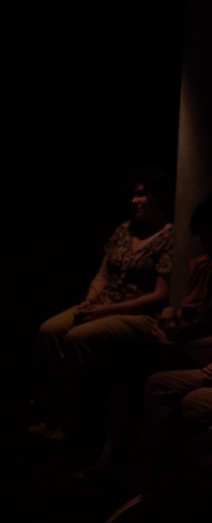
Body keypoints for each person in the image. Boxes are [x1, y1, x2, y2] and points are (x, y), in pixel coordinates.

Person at [28, 165, 173, 477]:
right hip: (104, 303)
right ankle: (55, 411)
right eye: (133, 194)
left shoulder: (169, 236)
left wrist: (104, 311)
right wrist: (89, 300)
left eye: (142, 194)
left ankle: (79, 421)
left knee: (78, 338)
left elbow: (160, 295)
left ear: (158, 195)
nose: (135, 200)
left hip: (136, 312)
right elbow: (102, 275)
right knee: (49, 331)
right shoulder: (124, 230)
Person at [139, 197, 212, 468]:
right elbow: (193, 312)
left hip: (199, 352)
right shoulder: (204, 266)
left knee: (187, 399)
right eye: (204, 236)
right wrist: (172, 316)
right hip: (195, 349)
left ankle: (164, 464)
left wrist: (177, 344)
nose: (206, 243)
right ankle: (153, 463)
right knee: (149, 370)